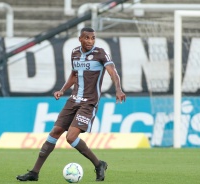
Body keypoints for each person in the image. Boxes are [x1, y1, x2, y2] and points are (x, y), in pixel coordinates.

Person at [16, 27, 126, 182]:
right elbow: (74, 74)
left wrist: (118, 89)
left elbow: (113, 72)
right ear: (80, 39)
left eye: (93, 38)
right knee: (55, 132)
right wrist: (62, 90)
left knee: (71, 137)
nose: (90, 41)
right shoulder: (74, 52)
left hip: (89, 102)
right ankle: (34, 173)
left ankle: (98, 164)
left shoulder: (100, 53)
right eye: (87, 38)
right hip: (73, 100)